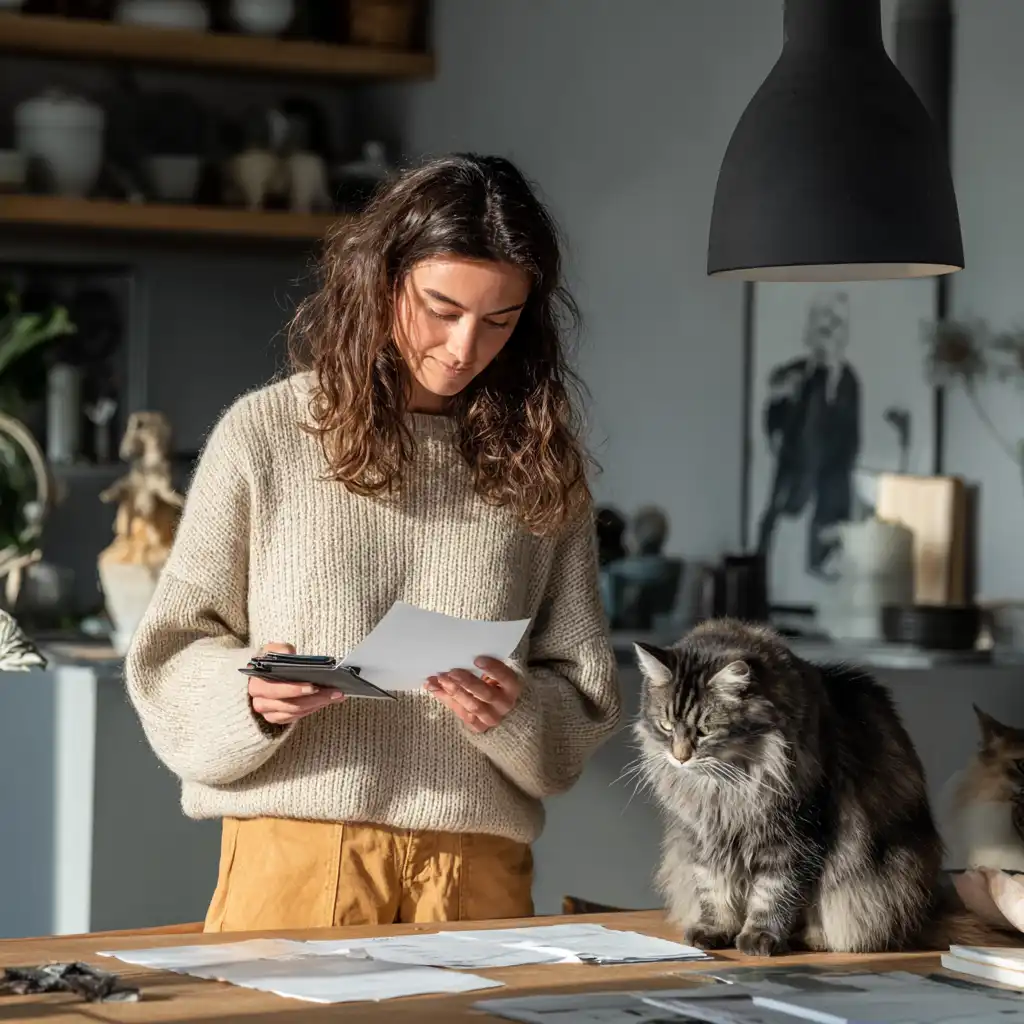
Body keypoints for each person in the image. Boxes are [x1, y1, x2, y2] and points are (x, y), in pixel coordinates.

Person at [124, 153, 621, 933]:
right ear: (382, 279)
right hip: (295, 859)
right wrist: (249, 695)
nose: (464, 347)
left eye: (500, 319)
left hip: (473, 872)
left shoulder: (540, 467)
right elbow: (168, 655)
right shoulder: (267, 436)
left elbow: (584, 692)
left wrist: (514, 710)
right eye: (441, 307)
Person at [755, 291, 861, 579]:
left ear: (844, 333)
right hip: (792, 475)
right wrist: (776, 433)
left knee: (825, 559)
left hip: (829, 481)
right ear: (809, 328)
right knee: (774, 541)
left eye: (835, 322)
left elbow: (850, 436)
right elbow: (772, 416)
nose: (826, 328)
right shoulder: (792, 372)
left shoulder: (847, 379)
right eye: (820, 320)